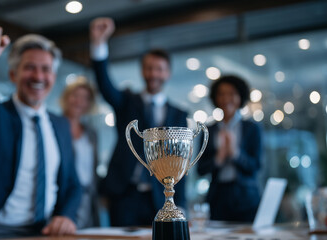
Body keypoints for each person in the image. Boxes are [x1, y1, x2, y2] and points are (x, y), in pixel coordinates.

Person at [0, 26, 82, 239]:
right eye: (30, 67)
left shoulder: (61, 124)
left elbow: (73, 184)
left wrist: (66, 215)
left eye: (45, 69)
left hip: (44, 233)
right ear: (12, 74)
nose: (38, 76)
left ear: (53, 77)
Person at [89, 17, 188, 226]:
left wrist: (182, 203)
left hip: (161, 197)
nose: (154, 74)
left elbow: (182, 160)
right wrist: (99, 44)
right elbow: (105, 85)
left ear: (168, 73)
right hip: (124, 194)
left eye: (159, 69)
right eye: (149, 68)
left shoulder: (179, 114)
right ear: (142, 71)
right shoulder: (126, 102)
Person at [197, 75, 262, 222]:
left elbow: (257, 166)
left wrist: (236, 154)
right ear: (215, 98)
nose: (226, 98)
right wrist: (218, 159)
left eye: (232, 93)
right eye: (221, 94)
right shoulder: (208, 130)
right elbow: (200, 169)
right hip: (217, 197)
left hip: (246, 198)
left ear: (240, 96)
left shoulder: (252, 128)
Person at [60, 77, 100, 228]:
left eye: (85, 98)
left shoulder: (91, 133)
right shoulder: (55, 126)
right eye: (75, 96)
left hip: (88, 198)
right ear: (66, 97)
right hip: (64, 196)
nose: (79, 101)